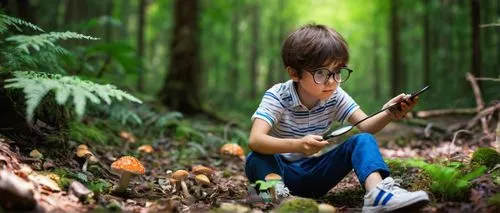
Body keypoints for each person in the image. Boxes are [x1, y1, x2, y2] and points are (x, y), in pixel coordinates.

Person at [245, 24, 430, 212]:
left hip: (314, 176)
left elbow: (366, 126)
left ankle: (378, 194)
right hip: (279, 172)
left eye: (337, 72)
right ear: (294, 73)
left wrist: (389, 112)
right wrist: (298, 145)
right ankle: (282, 202)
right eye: (320, 73)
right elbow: (255, 139)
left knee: (363, 140)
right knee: (256, 158)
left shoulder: (335, 95)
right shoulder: (277, 96)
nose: (332, 81)